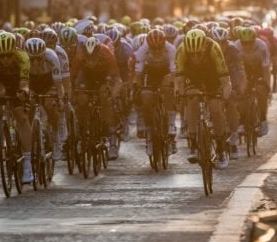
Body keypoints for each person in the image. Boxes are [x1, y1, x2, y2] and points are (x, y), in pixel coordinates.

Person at [0, 31, 35, 184]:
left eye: (9, 55)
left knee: (22, 119)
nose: (5, 59)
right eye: (2, 56)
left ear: (14, 51)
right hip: (0, 81)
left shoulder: (22, 57)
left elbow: (24, 84)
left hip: (17, 83)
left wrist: (23, 91)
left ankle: (28, 164)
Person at [174, 29, 232, 169]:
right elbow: (179, 80)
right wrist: (180, 94)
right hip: (192, 77)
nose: (195, 57)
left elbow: (225, 80)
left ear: (204, 47)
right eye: (192, 54)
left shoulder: (214, 48)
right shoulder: (181, 50)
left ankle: (221, 148)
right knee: (192, 101)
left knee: (215, 107)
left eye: (198, 54)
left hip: (212, 76)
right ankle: (193, 143)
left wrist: (224, 97)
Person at [70, 36, 123, 159]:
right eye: (88, 58)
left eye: (93, 58)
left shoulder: (107, 54)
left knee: (105, 96)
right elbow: (72, 76)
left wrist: (113, 96)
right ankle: (83, 132)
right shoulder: (80, 55)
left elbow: (117, 79)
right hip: (86, 77)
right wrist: (73, 93)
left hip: (104, 77)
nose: (91, 61)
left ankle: (112, 137)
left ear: (99, 53)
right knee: (82, 99)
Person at [133, 27, 177, 156]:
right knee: (145, 96)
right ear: (149, 46)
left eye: (160, 48)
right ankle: (149, 132)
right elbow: (138, 75)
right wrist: (139, 89)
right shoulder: (142, 51)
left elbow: (174, 73)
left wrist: (171, 86)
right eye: (154, 48)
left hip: (165, 73)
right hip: (149, 74)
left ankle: (170, 124)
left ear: (164, 44)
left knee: (168, 90)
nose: (157, 51)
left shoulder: (171, 49)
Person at [24, 37, 66, 161]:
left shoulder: (52, 58)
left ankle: (55, 135)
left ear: (44, 55)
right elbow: (22, 83)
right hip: (31, 82)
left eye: (39, 59)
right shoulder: (23, 60)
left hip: (48, 82)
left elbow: (59, 85)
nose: (36, 62)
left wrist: (60, 99)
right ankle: (28, 136)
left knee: (49, 105)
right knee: (29, 105)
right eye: (32, 59)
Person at [211, 27, 245, 156]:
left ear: (227, 42)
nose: (220, 45)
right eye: (217, 42)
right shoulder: (208, 50)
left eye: (223, 42)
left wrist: (239, 88)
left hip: (231, 78)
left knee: (231, 104)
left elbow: (241, 72)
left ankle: (234, 138)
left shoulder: (233, 50)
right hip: (214, 79)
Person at [236, 27, 271, 136]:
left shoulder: (262, 46)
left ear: (254, 41)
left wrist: (266, 85)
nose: (247, 46)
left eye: (250, 43)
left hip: (259, 69)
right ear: (241, 42)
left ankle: (263, 120)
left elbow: (266, 68)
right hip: (243, 70)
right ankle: (241, 121)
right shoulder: (236, 46)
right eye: (244, 43)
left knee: (261, 92)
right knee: (241, 93)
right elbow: (235, 68)